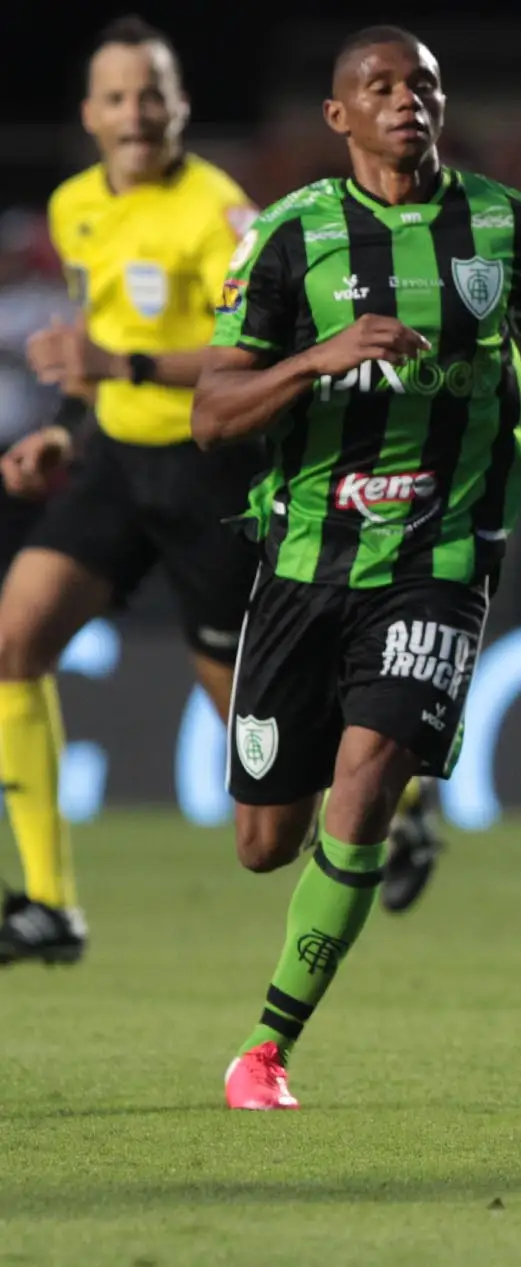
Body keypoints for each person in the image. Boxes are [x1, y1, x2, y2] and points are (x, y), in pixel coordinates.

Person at [192, 26, 521, 1108]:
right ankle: (346, 797)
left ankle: (267, 1049)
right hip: (305, 556)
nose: (405, 101)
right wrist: (318, 357)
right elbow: (212, 412)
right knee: (263, 841)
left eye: (421, 84)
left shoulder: (506, 224)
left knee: (372, 771)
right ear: (338, 115)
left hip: (444, 550)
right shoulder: (288, 236)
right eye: (379, 87)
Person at [0, 18, 259, 968]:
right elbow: (94, 352)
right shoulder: (74, 207)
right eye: (117, 97)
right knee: (13, 639)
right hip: (115, 457)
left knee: (256, 738)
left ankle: (403, 804)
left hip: (210, 466)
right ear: (90, 114)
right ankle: (49, 905)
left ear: (180, 105)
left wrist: (126, 364)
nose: (136, 113)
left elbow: (253, 356)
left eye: (152, 94)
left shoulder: (221, 214)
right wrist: (61, 432)